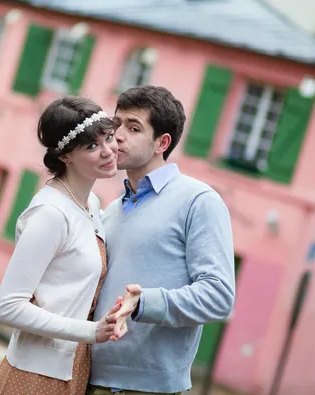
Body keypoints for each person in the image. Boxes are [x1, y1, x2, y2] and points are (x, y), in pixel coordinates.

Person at [87, 86, 236, 395]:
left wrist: (145, 303)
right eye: (117, 124)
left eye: (134, 127)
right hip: (89, 378)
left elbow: (219, 296)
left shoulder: (198, 200)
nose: (118, 135)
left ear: (162, 142)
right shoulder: (111, 210)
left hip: (149, 390)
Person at [0, 96, 132, 395]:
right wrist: (90, 331)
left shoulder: (91, 204)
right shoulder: (51, 214)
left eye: (108, 138)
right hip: (35, 375)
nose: (108, 151)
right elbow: (8, 307)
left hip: (72, 368)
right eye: (91, 146)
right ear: (65, 156)